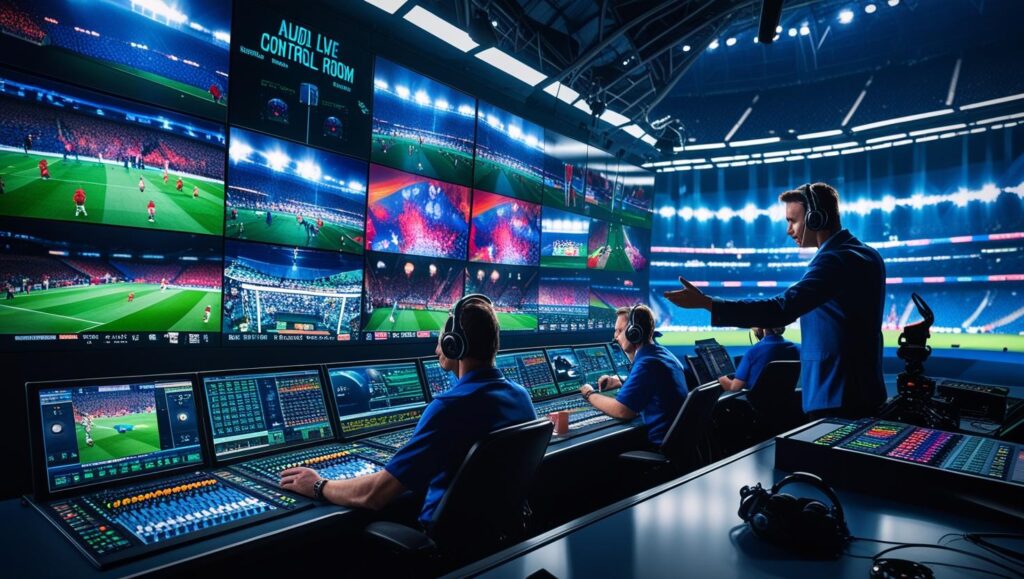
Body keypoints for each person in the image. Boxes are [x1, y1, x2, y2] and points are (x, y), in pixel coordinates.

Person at [279, 295, 536, 528]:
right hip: (501, 533)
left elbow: (375, 495)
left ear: (453, 345)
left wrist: (317, 485)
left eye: (440, 342)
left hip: (447, 546)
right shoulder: (521, 397)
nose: (436, 350)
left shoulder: (448, 408)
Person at [664, 182, 886, 419]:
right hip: (863, 389)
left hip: (836, 396)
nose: (789, 230)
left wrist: (707, 303)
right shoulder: (868, 254)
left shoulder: (834, 260)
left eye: (793, 220)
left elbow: (782, 308)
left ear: (815, 218)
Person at [579, 304, 689, 447]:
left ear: (634, 332)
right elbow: (651, 385)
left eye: (619, 331)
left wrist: (589, 394)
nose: (615, 336)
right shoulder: (662, 354)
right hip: (679, 443)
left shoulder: (647, 364)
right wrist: (620, 381)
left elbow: (622, 410)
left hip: (659, 446)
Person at [718, 327, 799, 392]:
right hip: (784, 401)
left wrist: (719, 376)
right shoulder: (794, 347)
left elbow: (734, 387)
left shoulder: (754, 351)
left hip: (755, 404)